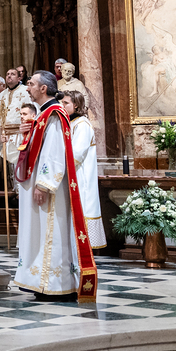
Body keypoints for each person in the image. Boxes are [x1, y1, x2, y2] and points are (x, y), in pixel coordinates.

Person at [15, 70, 97, 302]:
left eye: (31, 84)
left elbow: (54, 152)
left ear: (43, 88)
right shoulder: (44, 113)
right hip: (40, 183)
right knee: (40, 233)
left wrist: (44, 184)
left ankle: (54, 285)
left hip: (49, 187)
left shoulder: (54, 114)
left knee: (51, 232)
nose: (27, 87)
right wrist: (26, 134)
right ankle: (40, 281)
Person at [62, 91, 106, 249]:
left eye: (66, 103)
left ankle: (84, 247)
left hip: (81, 176)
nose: (62, 105)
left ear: (76, 105)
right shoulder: (70, 122)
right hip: (71, 175)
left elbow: (77, 154)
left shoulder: (82, 125)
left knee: (83, 206)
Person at [0, 68, 33, 165]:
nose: (9, 76)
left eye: (12, 74)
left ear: (19, 78)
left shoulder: (25, 91)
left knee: (20, 163)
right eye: (7, 74)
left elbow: (33, 109)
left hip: (21, 133)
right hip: (5, 135)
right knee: (8, 167)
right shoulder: (2, 94)